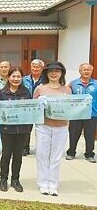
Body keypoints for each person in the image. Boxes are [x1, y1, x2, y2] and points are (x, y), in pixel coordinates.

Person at [33, 61, 71, 196]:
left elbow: (71, 108)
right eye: (50, 71)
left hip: (61, 127)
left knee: (56, 157)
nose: (54, 73)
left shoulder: (67, 90)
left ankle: (53, 184)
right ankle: (43, 183)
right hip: (43, 126)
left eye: (57, 71)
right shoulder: (40, 89)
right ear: (46, 74)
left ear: (61, 73)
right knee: (42, 155)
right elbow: (34, 108)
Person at [0, 67, 32, 192]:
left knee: (18, 156)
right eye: (13, 76)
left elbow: (30, 110)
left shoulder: (26, 93)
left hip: (22, 130)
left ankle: (15, 179)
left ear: (22, 78)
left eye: (18, 76)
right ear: (8, 78)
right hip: (6, 129)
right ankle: (3, 179)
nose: (16, 79)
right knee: (6, 155)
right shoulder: (2, 93)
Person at [66, 63, 96, 163]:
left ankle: (89, 154)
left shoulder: (96, 84)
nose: (86, 71)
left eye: (89, 70)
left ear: (92, 71)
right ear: (80, 71)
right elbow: (68, 98)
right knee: (74, 134)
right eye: (84, 70)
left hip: (92, 114)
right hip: (76, 114)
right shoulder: (72, 83)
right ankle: (71, 152)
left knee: (90, 135)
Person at [22, 59, 45, 156]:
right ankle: (25, 148)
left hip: (40, 109)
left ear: (41, 68)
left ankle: (40, 148)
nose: (35, 68)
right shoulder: (24, 79)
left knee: (41, 130)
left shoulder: (45, 80)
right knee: (26, 129)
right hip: (27, 109)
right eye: (33, 66)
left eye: (37, 67)